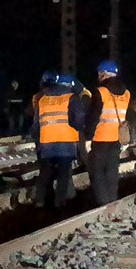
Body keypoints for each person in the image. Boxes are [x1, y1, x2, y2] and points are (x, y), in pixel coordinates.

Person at [30, 71, 84, 208]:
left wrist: (38, 140)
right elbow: (78, 120)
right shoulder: (72, 98)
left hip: (46, 143)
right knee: (63, 174)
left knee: (45, 172)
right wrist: (78, 128)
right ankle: (59, 203)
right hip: (66, 142)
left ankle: (39, 200)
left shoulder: (43, 99)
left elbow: (36, 125)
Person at [84, 60, 130, 204]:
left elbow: (94, 117)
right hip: (117, 139)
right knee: (112, 171)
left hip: (100, 139)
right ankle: (112, 201)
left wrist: (88, 138)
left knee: (96, 171)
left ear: (104, 74)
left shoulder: (100, 92)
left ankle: (103, 203)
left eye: (99, 73)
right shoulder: (126, 93)